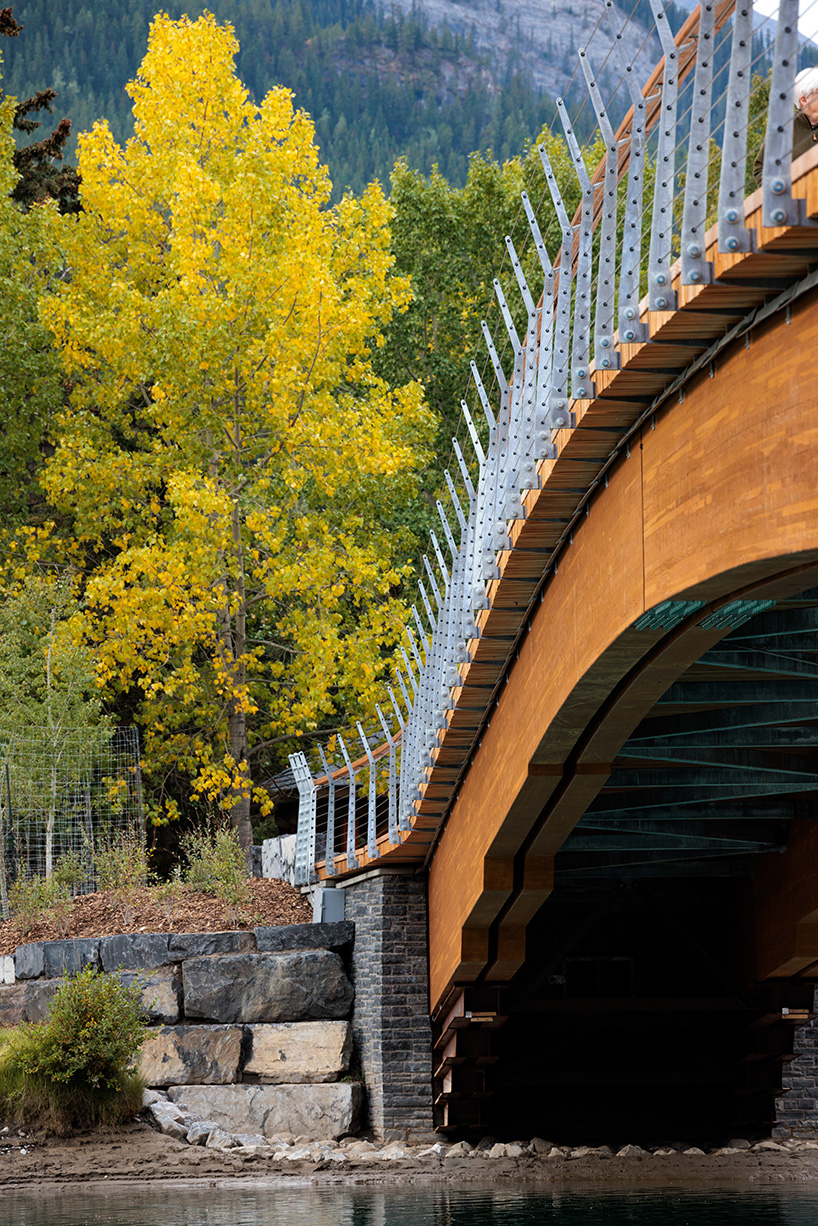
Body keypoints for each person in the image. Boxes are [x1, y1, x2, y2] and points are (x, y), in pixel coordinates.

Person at [754, 65, 818, 185]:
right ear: (804, 100)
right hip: (791, 201)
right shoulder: (783, 127)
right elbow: (761, 169)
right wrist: (779, 196)